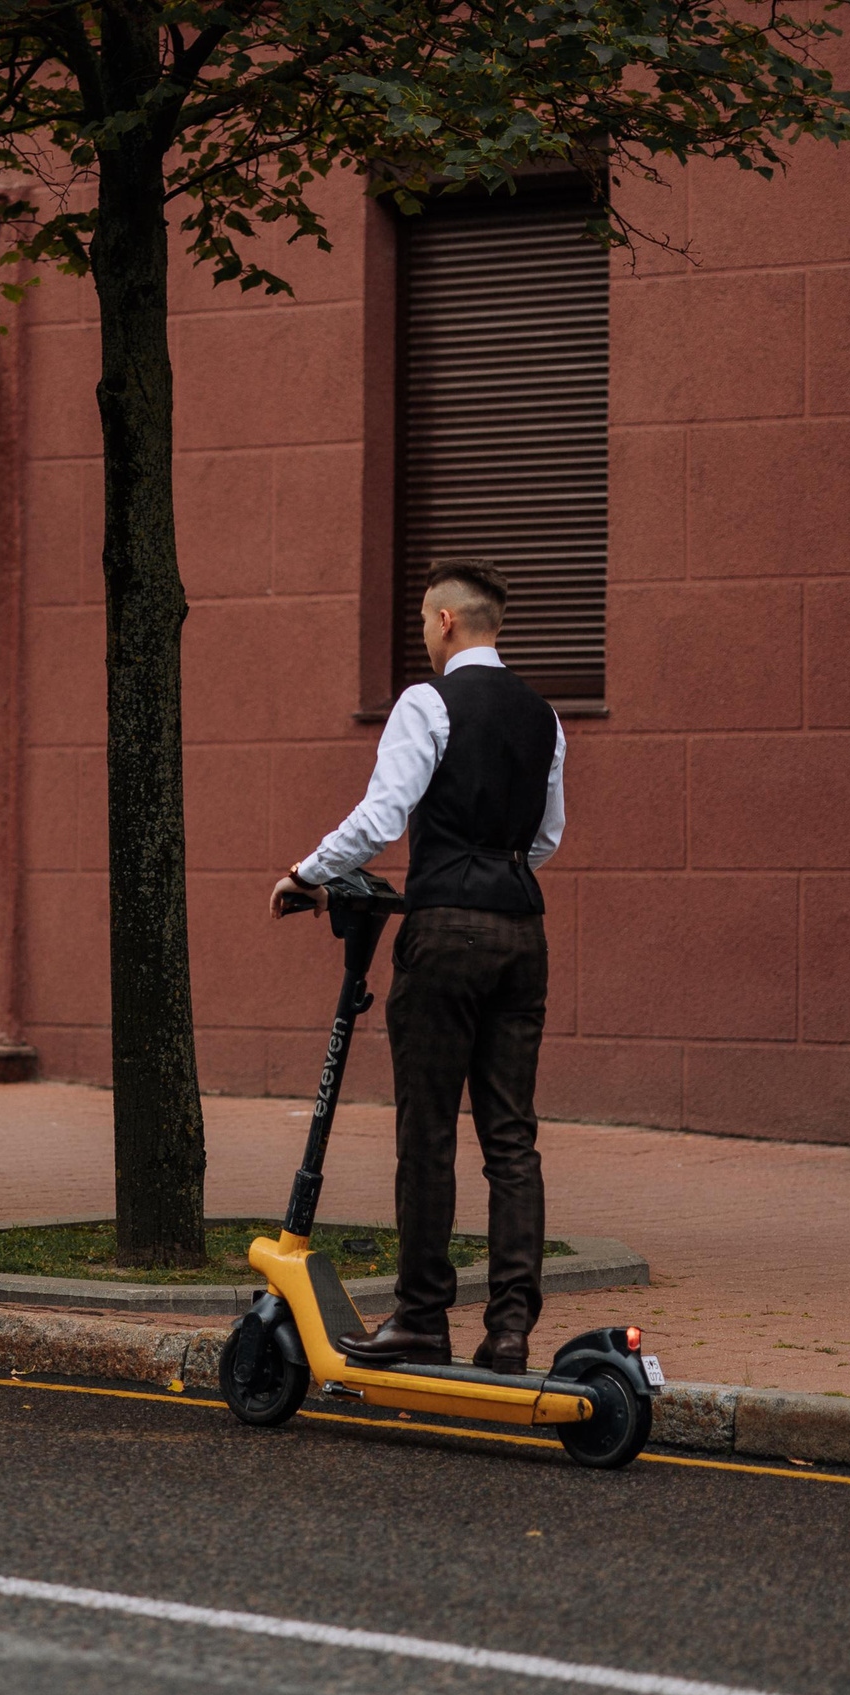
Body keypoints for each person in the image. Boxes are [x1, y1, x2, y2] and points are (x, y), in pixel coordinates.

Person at [269, 559, 566, 1375]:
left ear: (444, 623)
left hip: (445, 933)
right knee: (512, 1139)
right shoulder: (544, 715)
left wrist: (308, 872)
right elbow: (545, 838)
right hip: (521, 931)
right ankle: (509, 1333)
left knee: (427, 1131)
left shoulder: (426, 701)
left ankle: (423, 1319)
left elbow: (383, 813)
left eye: (423, 626)